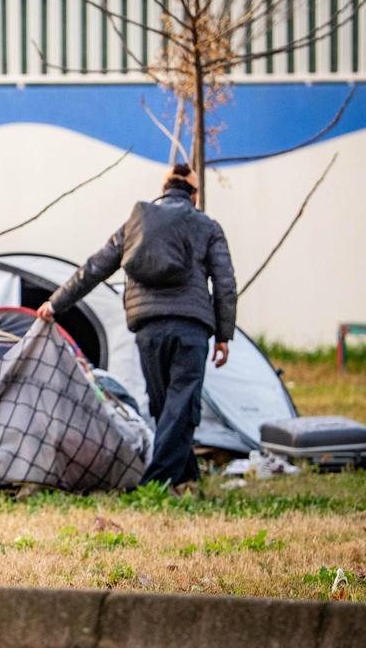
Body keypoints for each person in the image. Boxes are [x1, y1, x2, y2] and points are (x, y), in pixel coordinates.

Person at [36, 163, 237, 489]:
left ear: (164, 188)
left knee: (165, 406)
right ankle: (155, 484)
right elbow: (225, 282)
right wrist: (224, 335)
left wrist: (56, 302)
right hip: (191, 327)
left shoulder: (136, 223)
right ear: (194, 195)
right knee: (179, 405)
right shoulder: (206, 226)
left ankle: (187, 478)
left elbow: (95, 267)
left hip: (148, 328)